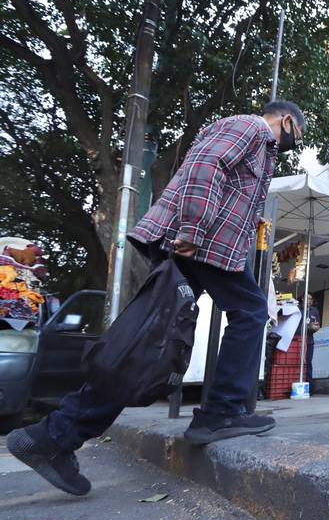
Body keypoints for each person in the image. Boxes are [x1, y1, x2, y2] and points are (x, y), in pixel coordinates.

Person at [8, 100, 305, 497]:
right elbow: (206, 167)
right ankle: (220, 413)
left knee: (147, 347)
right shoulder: (251, 127)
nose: (290, 143)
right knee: (250, 310)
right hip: (200, 245)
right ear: (285, 120)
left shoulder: (254, 142)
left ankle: (55, 435)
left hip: (211, 251)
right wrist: (193, 228)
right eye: (295, 135)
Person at [303, 294, 321, 392]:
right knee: (298, 362)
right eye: (308, 298)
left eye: (311, 299)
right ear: (303, 299)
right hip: (299, 339)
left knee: (309, 362)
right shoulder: (299, 308)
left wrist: (314, 327)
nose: (310, 300)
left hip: (310, 340)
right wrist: (308, 326)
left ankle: (309, 387)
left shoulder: (314, 310)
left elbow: (318, 325)